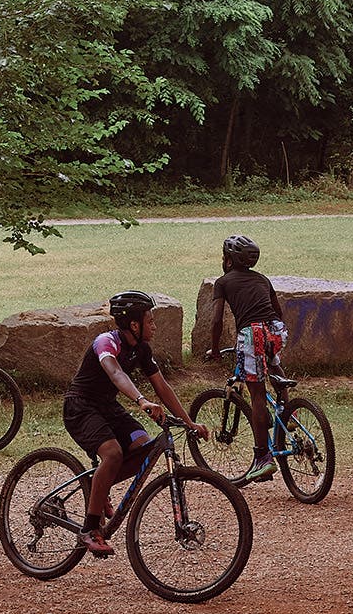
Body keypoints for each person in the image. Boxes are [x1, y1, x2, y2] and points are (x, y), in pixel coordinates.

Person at [64, 290, 203, 557]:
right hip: (80, 406)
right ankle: (90, 529)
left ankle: (99, 484)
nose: (154, 325)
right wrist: (141, 400)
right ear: (134, 324)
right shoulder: (106, 342)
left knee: (144, 449)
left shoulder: (141, 349)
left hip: (107, 407)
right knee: (113, 452)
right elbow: (115, 372)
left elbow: (162, 387)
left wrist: (189, 422)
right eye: (150, 320)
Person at [206, 233, 289, 468]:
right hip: (275, 329)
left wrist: (213, 349)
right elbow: (277, 312)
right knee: (273, 363)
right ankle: (288, 413)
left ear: (229, 260)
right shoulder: (262, 279)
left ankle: (262, 457)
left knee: (257, 396)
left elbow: (216, 321)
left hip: (252, 334)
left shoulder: (223, 282)